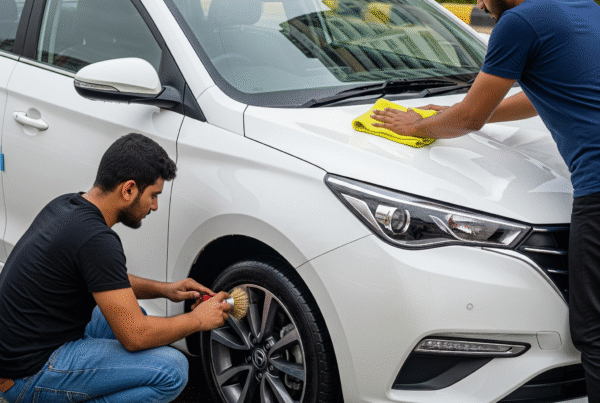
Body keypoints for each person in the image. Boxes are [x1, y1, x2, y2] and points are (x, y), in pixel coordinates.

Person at [371, 0, 600, 399]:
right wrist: (468, 107)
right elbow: (540, 93)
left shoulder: (518, 22)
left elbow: (467, 121)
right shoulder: (582, 7)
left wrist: (419, 123)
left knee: (595, 332)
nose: (479, 3)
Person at [0, 133, 231, 403]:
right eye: (153, 196)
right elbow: (136, 337)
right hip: (27, 375)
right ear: (129, 189)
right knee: (172, 370)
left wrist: (166, 290)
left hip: (17, 351)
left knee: (135, 313)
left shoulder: (68, 205)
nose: (154, 206)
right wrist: (198, 320)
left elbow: (106, 279)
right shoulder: (97, 240)